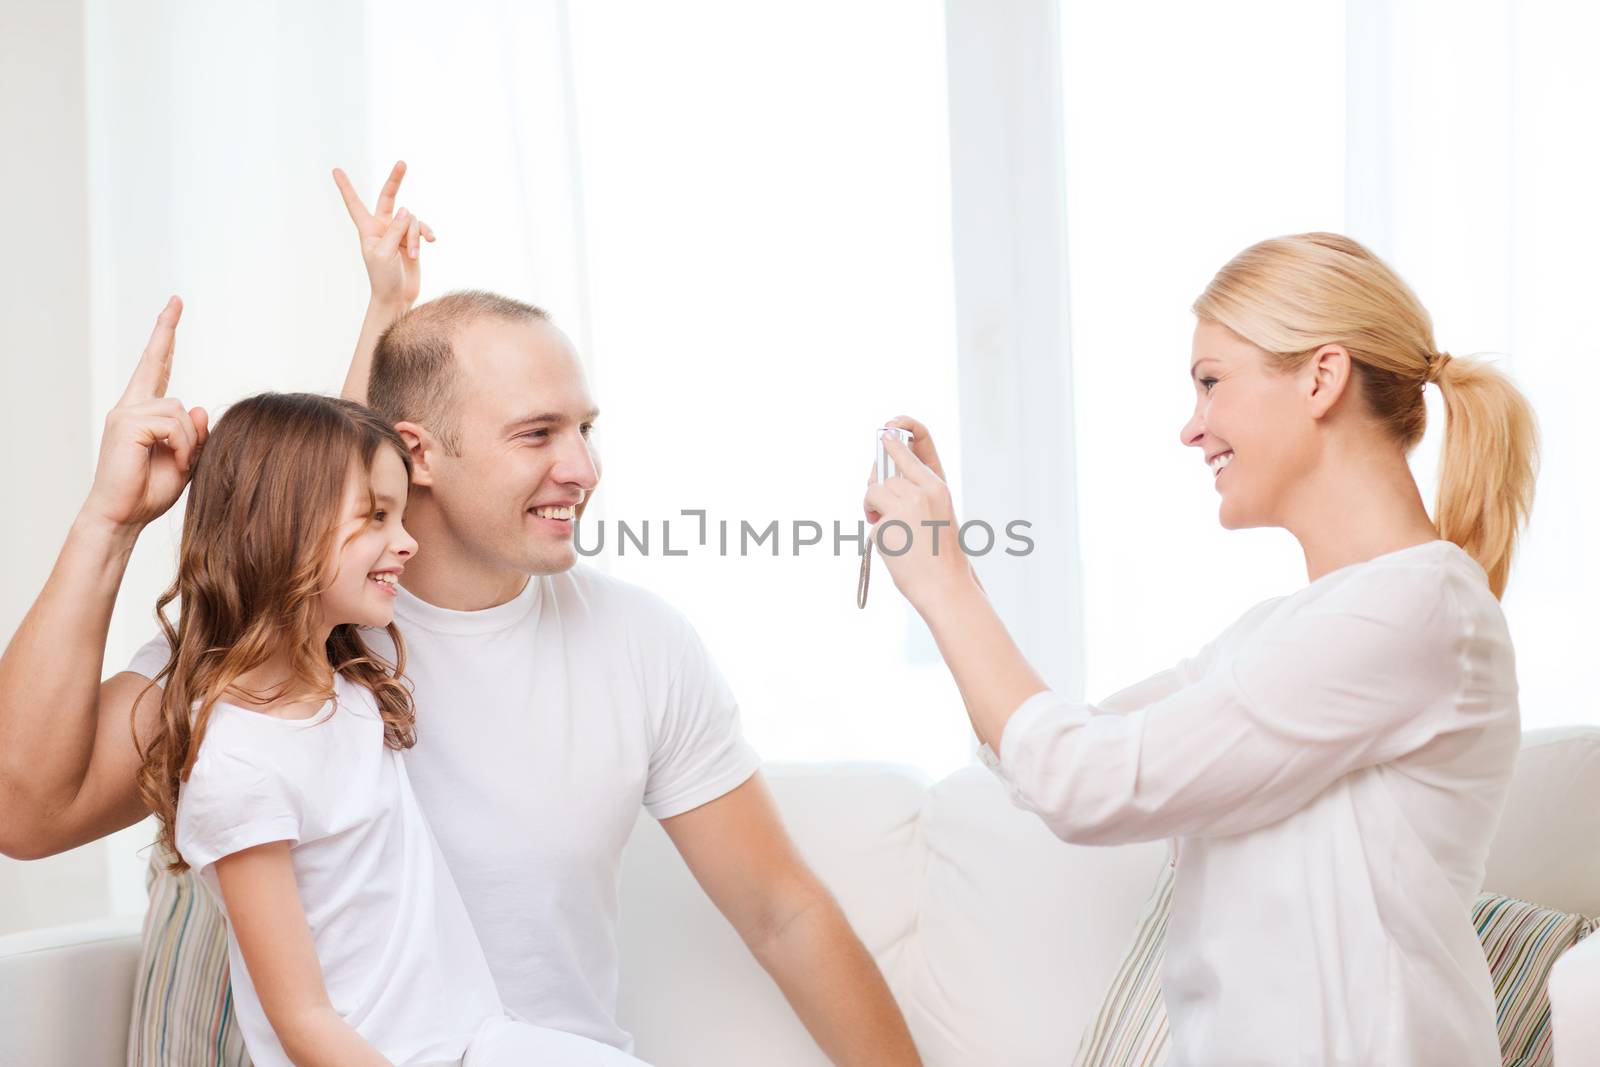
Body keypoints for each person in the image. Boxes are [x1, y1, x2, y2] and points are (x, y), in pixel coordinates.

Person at [0, 161, 921, 1065]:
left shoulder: (640, 644)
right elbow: (28, 812)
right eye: (537, 433)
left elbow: (783, 910)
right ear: (420, 453)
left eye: (585, 429)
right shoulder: (275, 657)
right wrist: (109, 520)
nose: (584, 469)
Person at [862, 232, 1537, 1066]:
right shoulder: (1283, 632)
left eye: (1211, 382)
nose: (1193, 427)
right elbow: (1048, 751)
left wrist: (945, 585)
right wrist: (947, 574)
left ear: (1322, 378)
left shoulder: (1418, 609)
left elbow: (1081, 780)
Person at [134, 388, 646, 1066]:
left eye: (400, 513)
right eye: (378, 516)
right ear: (280, 528)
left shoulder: (347, 681)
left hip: (478, 1043)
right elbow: (304, 1020)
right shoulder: (238, 763)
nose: (407, 542)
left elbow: (328, 452)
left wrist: (385, 305)